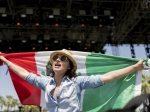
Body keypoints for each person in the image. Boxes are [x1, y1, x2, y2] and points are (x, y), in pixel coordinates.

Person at [0, 49, 146, 112]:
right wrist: (5, 60)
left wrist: (134, 68)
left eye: (63, 58)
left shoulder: (77, 82)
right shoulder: (45, 83)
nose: (58, 60)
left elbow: (107, 77)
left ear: (69, 65)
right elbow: (25, 74)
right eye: (55, 58)